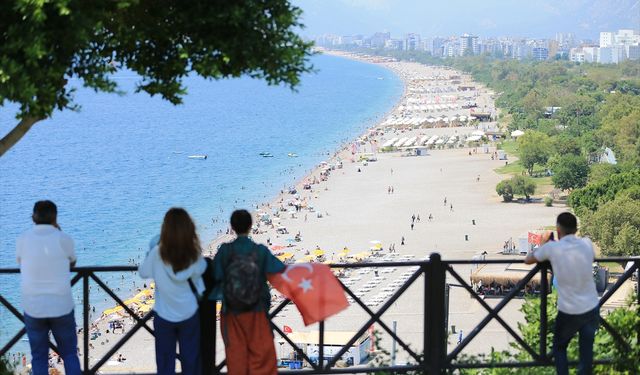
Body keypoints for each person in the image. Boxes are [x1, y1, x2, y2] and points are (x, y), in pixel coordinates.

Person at [209, 210, 285, 375]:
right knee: (262, 358)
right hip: (257, 310)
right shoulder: (260, 251)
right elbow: (280, 269)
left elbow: (214, 275)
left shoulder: (225, 251)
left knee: (236, 358)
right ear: (251, 226)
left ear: (232, 227)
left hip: (231, 313)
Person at [525, 212, 599, 375]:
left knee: (559, 347)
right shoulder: (586, 243)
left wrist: (544, 244)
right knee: (586, 352)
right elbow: (592, 258)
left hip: (569, 310)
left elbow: (528, 259)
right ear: (576, 229)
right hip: (592, 306)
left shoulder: (552, 248)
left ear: (558, 229)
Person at [139, 208, 207, 375]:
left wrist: (151, 249)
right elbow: (202, 269)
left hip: (164, 315)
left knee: (165, 364)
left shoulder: (157, 252)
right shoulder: (193, 253)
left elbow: (143, 272)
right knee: (191, 361)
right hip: (189, 313)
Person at [16, 200, 81, 375]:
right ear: (55, 217)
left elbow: (21, 262)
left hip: (34, 306)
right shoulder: (63, 239)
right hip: (61, 305)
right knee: (69, 354)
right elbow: (72, 262)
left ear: (33, 217)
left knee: (39, 357)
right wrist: (57, 230)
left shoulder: (23, 239)